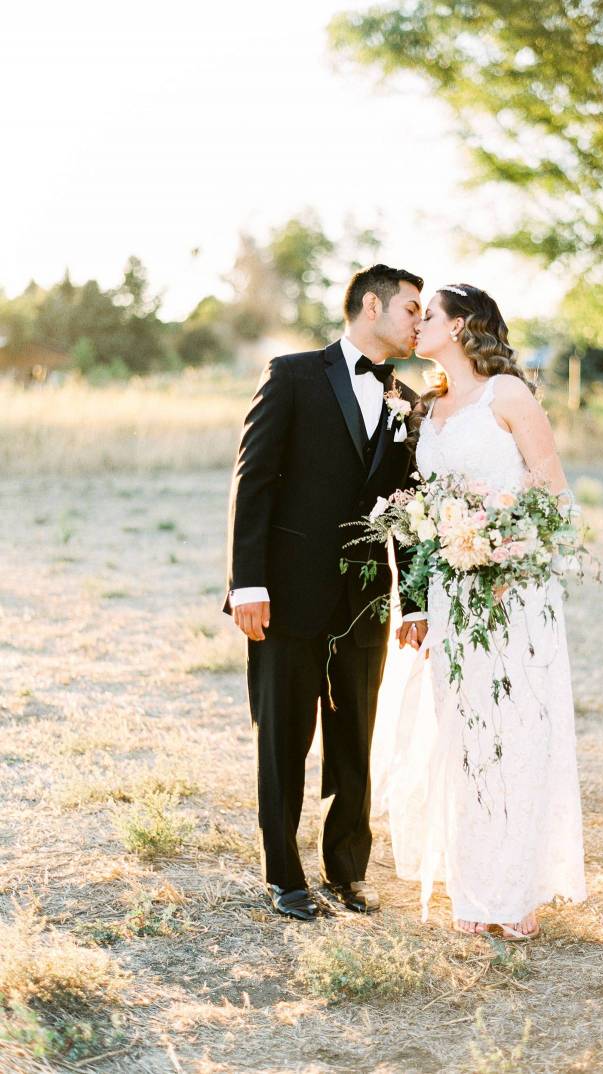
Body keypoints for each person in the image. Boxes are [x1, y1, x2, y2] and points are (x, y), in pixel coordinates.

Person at [224, 264, 428, 922]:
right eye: (411, 309)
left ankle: (348, 872)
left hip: (366, 603)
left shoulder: (407, 400)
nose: (419, 322)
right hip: (286, 595)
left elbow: (408, 508)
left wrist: (416, 598)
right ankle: (284, 877)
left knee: (354, 743)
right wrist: (247, 583)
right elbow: (252, 481)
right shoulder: (292, 376)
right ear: (371, 306)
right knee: (284, 740)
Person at [387, 283, 586, 940]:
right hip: (452, 591)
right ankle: (475, 884)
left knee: (516, 731)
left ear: (463, 325)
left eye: (429, 316)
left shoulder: (509, 395)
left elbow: (556, 496)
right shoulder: (428, 406)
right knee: (463, 729)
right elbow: (420, 505)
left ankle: (517, 891)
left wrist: (510, 548)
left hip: (512, 591)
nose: (417, 325)